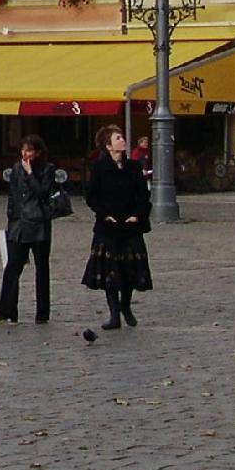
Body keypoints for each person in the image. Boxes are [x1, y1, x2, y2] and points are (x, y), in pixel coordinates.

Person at [82, 124, 153, 330]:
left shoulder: (133, 167)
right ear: (108, 145)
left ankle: (125, 305)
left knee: (130, 269)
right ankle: (114, 314)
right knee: (110, 272)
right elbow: (92, 196)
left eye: (122, 137)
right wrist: (104, 214)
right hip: (109, 226)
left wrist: (137, 215)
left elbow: (143, 194)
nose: (122, 141)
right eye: (118, 138)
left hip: (130, 225)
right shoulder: (100, 167)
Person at [0, 134, 55, 324]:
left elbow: (42, 192)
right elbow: (13, 195)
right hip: (19, 224)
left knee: (42, 269)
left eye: (29, 150)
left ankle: (42, 313)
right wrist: (11, 217)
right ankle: (7, 310)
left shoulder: (47, 169)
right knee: (12, 266)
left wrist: (30, 174)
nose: (25, 154)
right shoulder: (16, 168)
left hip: (39, 225)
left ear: (38, 152)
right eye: (23, 150)